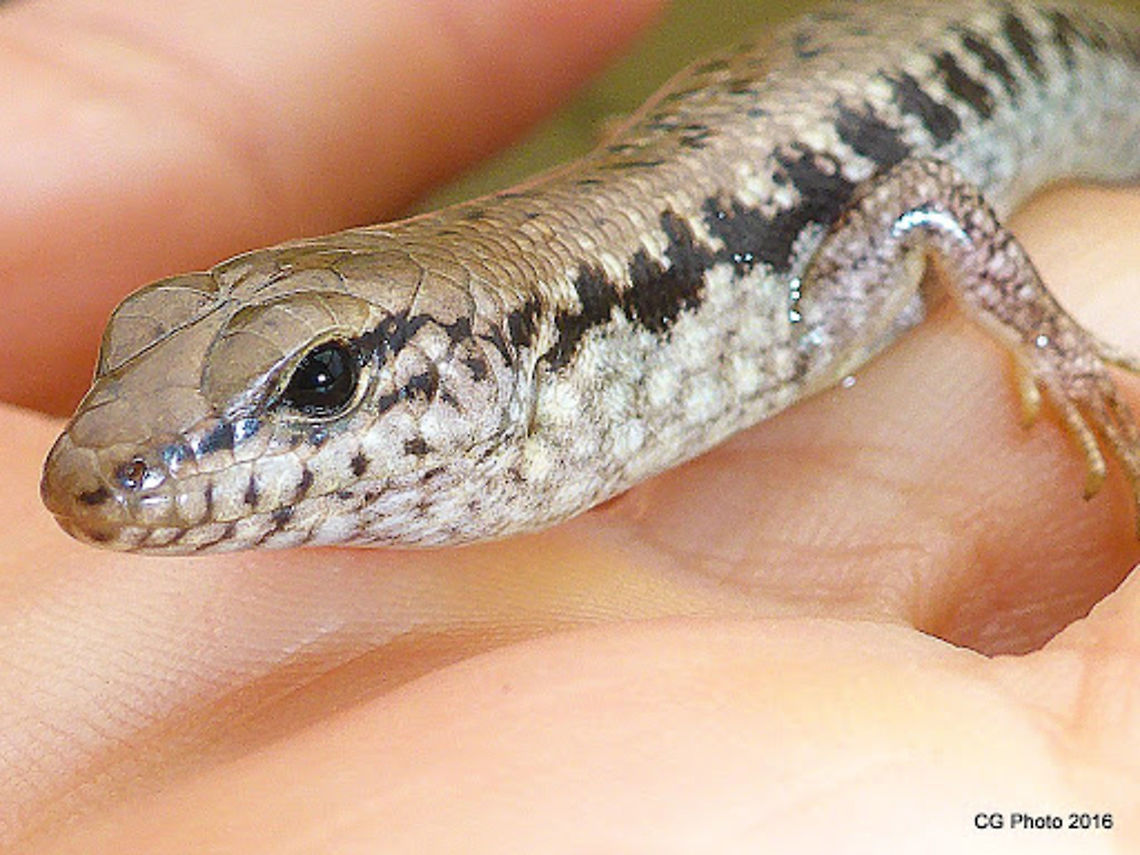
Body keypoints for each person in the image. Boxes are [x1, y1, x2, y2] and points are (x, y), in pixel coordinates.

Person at [2, 0, 1138, 850]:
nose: (131, 471)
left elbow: (922, 197)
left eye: (322, 385)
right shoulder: (609, 371)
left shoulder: (779, 300)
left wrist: (1053, 344)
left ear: (484, 359)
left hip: (1055, 51)